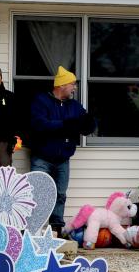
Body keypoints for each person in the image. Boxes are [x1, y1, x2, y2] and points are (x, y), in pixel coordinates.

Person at [28, 66, 96, 235]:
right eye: (72, 84)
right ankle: (32, 231)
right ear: (61, 85)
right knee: (38, 194)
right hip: (42, 157)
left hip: (63, 158)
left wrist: (89, 124)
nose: (75, 87)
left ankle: (56, 231)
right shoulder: (41, 101)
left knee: (60, 195)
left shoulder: (74, 106)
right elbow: (39, 125)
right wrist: (66, 125)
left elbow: (85, 124)